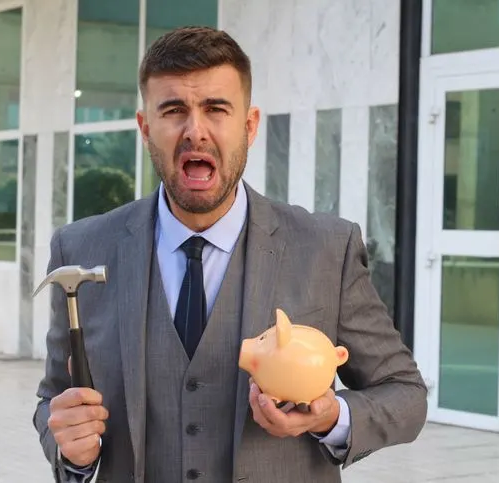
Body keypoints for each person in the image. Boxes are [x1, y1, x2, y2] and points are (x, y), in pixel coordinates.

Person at [32, 26, 427, 483]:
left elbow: (406, 395)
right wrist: (71, 452)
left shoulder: (325, 248)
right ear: (145, 128)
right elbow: (55, 400)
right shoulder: (79, 249)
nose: (195, 131)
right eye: (173, 110)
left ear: (250, 125)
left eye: (216, 109)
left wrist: (329, 416)